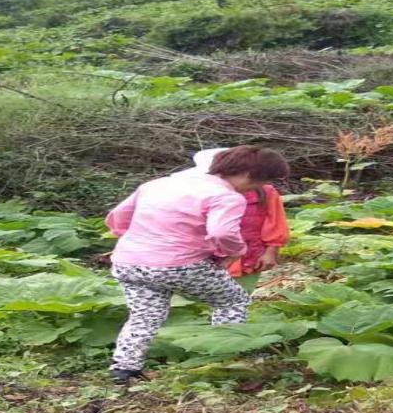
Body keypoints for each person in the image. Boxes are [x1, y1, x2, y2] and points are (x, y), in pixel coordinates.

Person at [105, 146, 291, 384]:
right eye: (259, 183)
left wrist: (141, 242)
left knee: (145, 315)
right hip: (179, 265)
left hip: (128, 261)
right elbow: (222, 232)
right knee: (232, 300)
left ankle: (124, 369)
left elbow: (118, 217)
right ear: (247, 175)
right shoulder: (226, 196)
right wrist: (236, 251)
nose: (255, 189)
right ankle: (226, 358)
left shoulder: (157, 184)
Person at [223, 155, 291, 294]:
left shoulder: (265, 192)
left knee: (240, 299)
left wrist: (271, 252)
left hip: (250, 257)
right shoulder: (207, 192)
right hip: (213, 259)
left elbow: (276, 222)